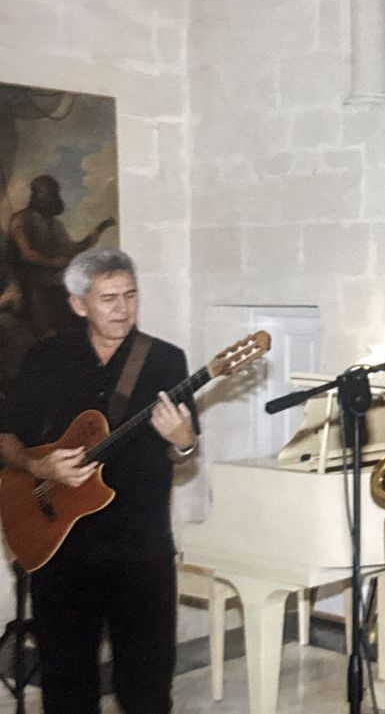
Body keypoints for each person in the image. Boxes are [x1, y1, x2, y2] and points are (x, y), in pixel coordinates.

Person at [0, 248, 199, 714]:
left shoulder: (165, 360)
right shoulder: (46, 358)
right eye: (109, 298)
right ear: (78, 304)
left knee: (147, 684)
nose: (124, 309)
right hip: (61, 547)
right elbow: (6, 437)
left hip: (142, 545)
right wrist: (39, 468)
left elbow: (185, 450)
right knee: (67, 684)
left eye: (130, 295)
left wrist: (184, 439)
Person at [6, 174, 114, 338]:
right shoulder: (22, 219)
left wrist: (100, 228)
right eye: (45, 192)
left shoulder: (56, 224)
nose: (51, 197)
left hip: (55, 283)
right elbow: (27, 254)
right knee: (49, 331)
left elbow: (73, 249)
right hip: (30, 284)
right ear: (37, 194)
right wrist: (54, 263)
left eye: (53, 193)